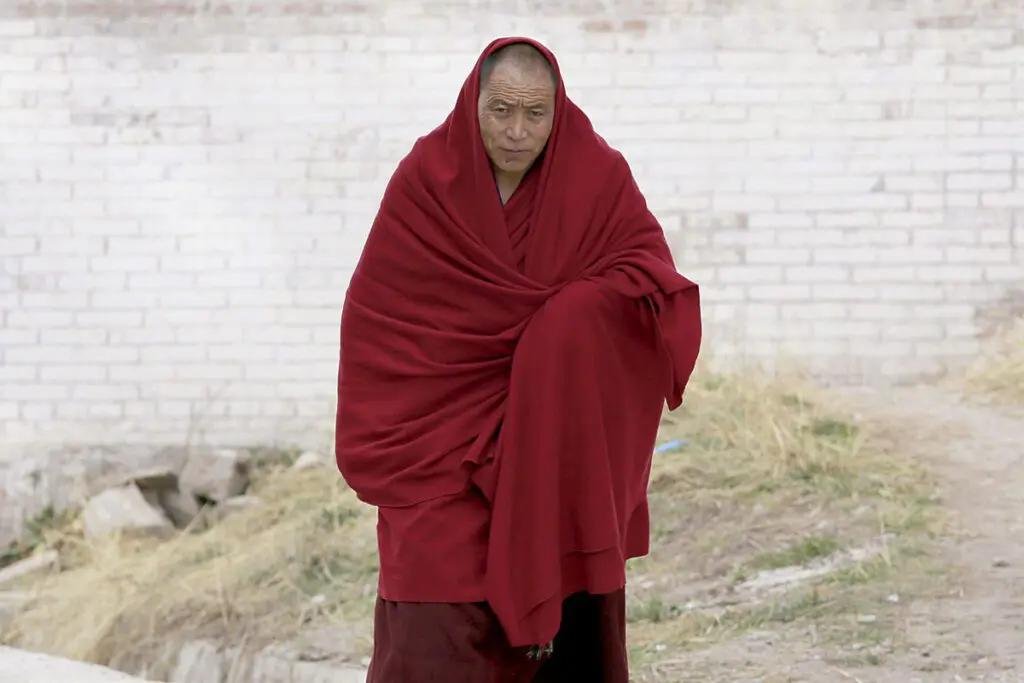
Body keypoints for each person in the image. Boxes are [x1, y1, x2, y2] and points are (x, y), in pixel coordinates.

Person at [335, 37, 702, 682]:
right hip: (440, 446)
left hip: (550, 449)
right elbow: (379, 318)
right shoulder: (426, 180)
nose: (516, 131)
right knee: (435, 607)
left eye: (535, 114)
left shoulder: (596, 175)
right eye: (501, 110)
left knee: (562, 611)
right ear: (472, 104)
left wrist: (565, 327)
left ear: (558, 112)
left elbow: (646, 281)